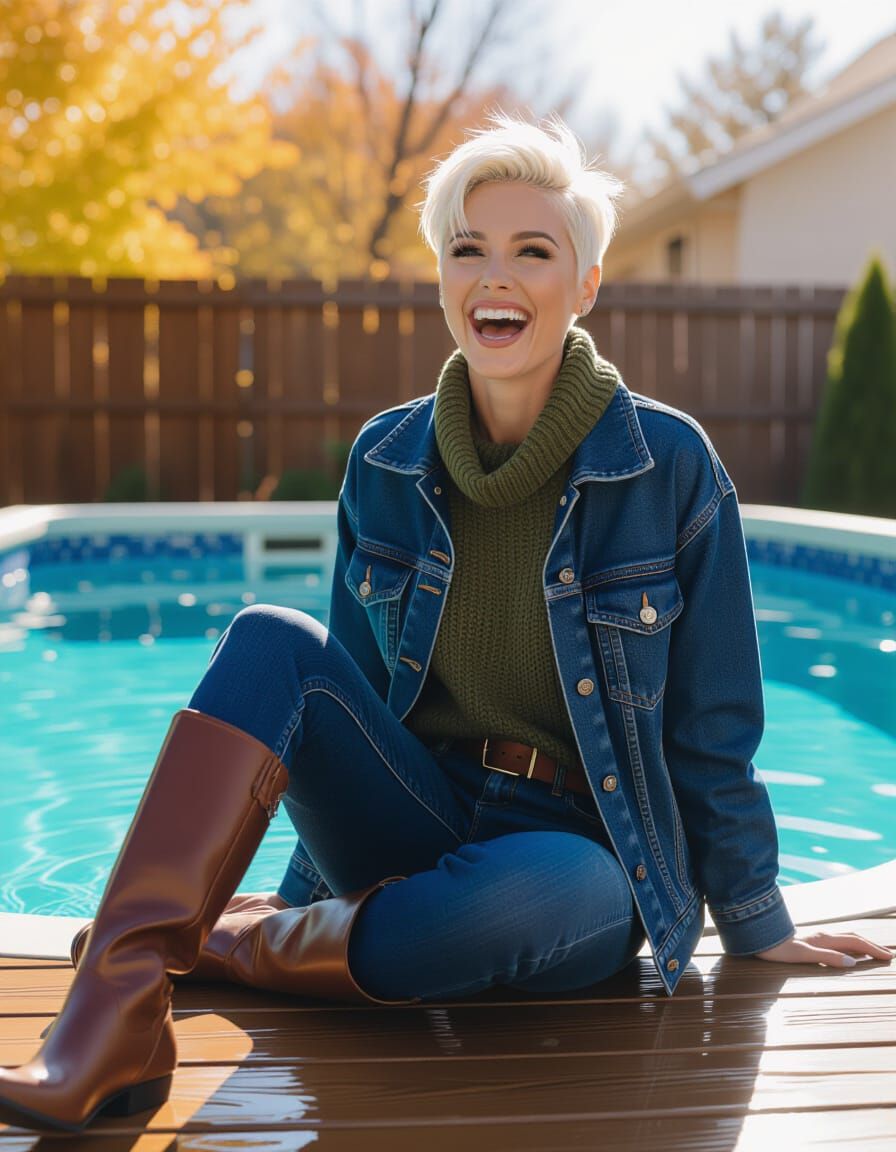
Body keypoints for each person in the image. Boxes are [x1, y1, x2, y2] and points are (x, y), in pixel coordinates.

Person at [1, 112, 890, 1133]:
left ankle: (227, 942)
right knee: (269, 639)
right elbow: (336, 711)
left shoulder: (667, 466)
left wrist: (753, 915)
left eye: (531, 251)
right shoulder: (384, 460)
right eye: (466, 249)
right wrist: (304, 881)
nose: (493, 275)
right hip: (410, 814)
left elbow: (712, 726)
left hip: (574, 856)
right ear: (439, 278)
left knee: (513, 908)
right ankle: (108, 1023)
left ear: (584, 285)